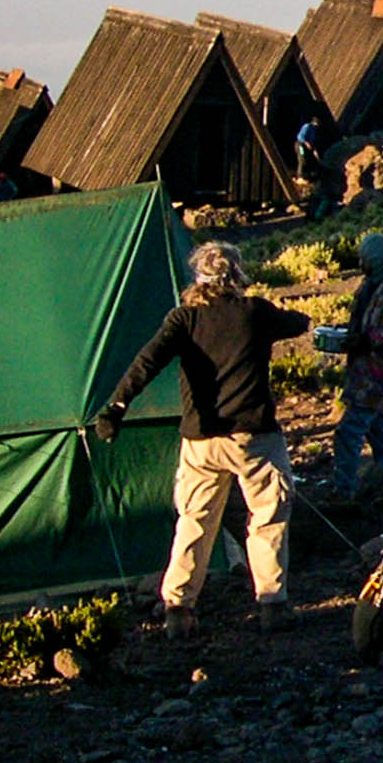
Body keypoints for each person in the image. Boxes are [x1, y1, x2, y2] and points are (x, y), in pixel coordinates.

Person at [94, 240, 311, 638]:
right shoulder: (256, 313)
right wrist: (300, 316)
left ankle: (178, 608)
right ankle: (272, 603)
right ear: (236, 275)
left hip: (201, 441)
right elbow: (297, 324)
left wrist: (116, 408)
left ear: (199, 277)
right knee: (267, 517)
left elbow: (147, 361)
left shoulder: (184, 319)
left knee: (195, 521)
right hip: (254, 440)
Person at [330, 230, 383, 504]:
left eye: (365, 258)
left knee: (349, 432)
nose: (361, 263)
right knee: (378, 430)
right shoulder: (371, 286)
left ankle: (343, 493)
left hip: (378, 373)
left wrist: (365, 340)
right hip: (364, 370)